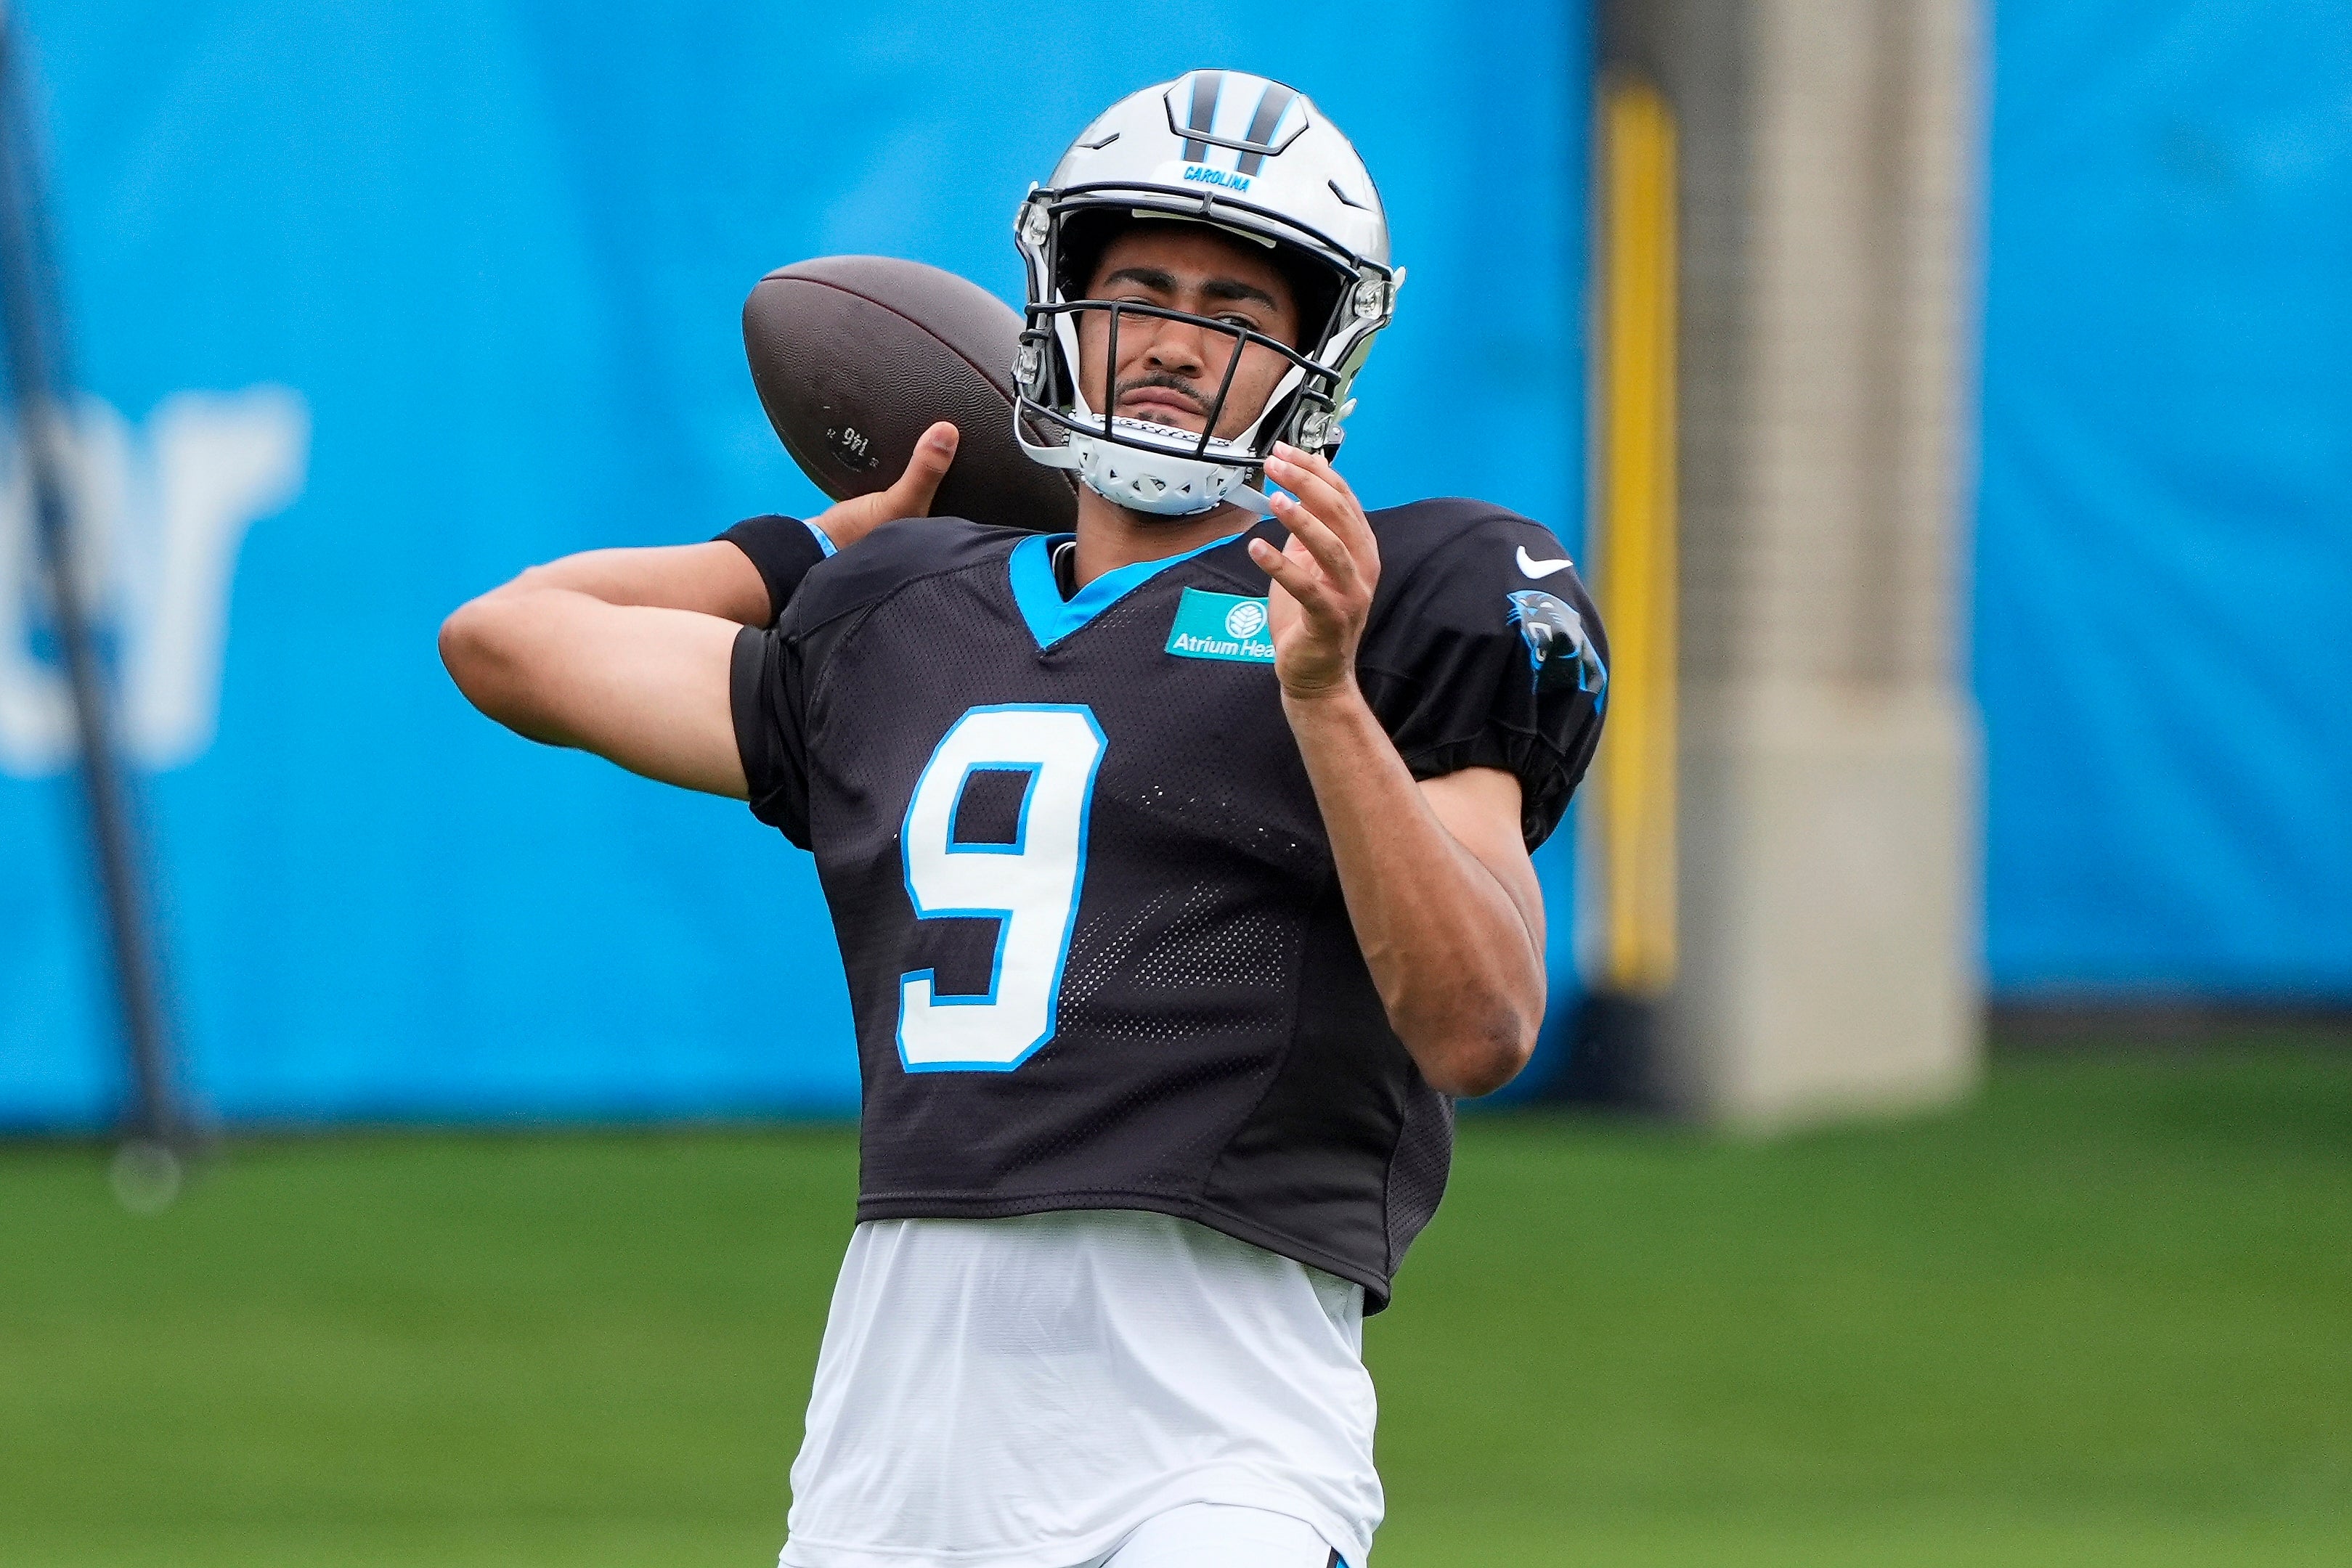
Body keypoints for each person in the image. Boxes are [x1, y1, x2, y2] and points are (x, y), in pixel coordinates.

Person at [441, 70, 1605, 1568]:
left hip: (1217, 1446)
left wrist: (1324, 697)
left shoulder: (1394, 600)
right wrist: (808, 547)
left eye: (1236, 310)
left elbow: (1481, 1025)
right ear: (1058, 306)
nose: (1177, 340)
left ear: (1315, 356)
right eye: (1142, 291)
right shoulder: (900, 615)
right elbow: (507, 639)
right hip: (896, 1440)